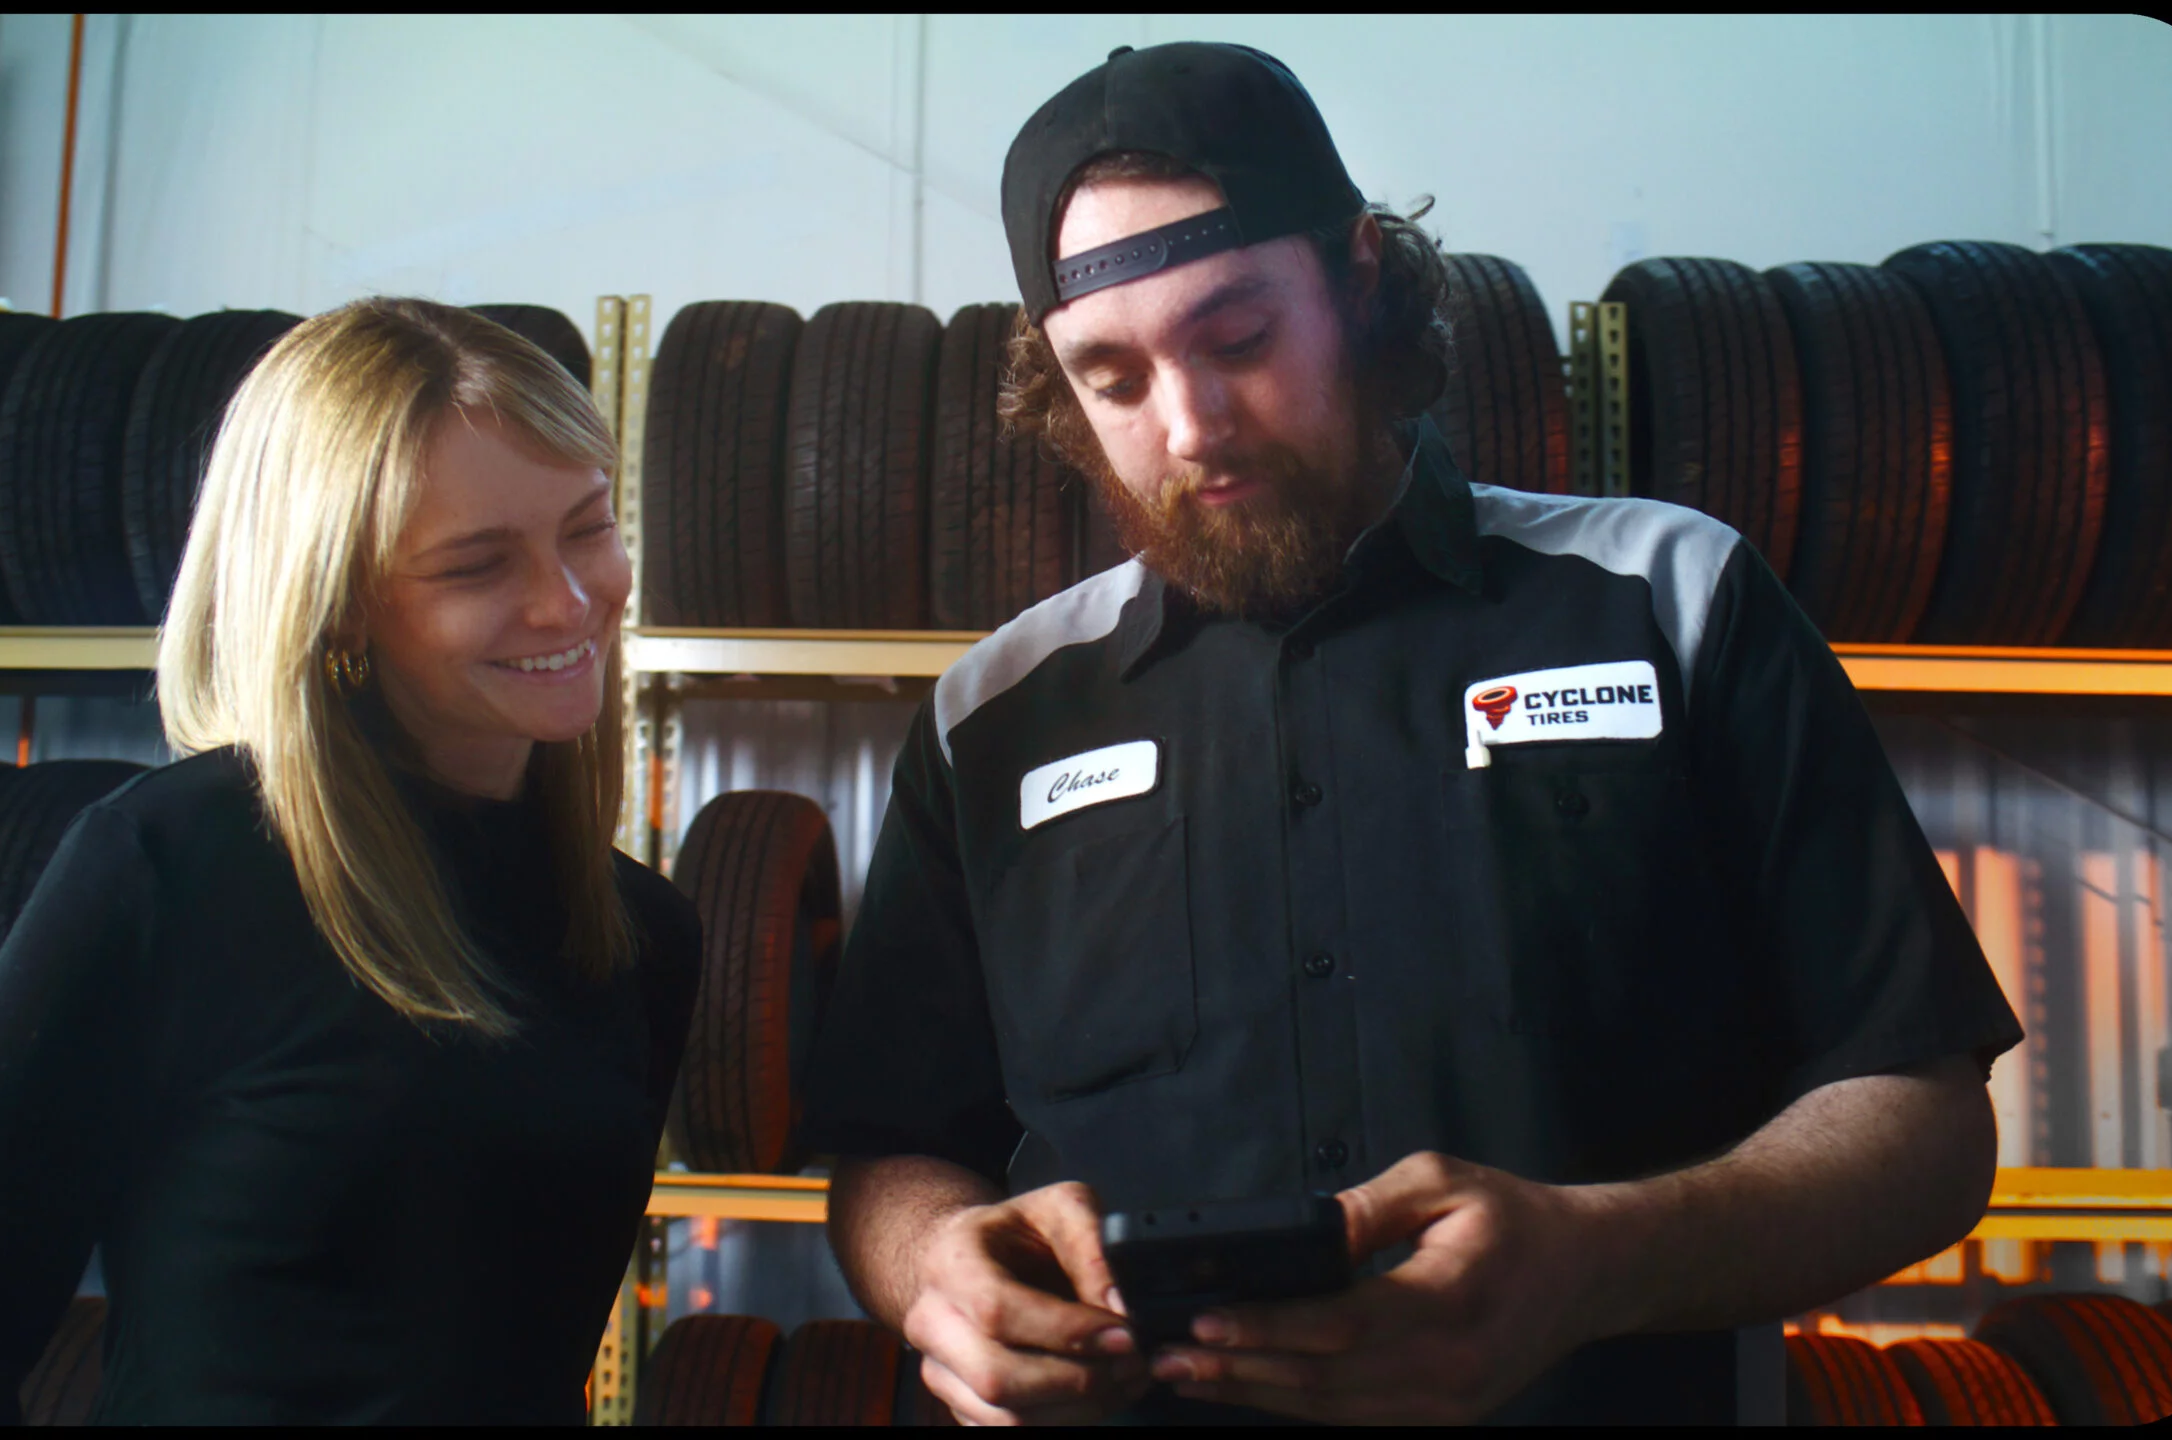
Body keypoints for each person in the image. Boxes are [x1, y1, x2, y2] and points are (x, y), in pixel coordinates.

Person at [801, 41, 2023, 1426]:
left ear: (1360, 275)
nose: (1192, 425)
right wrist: (930, 1278)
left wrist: (1605, 1260)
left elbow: (1926, 1119)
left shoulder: (1676, 605)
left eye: (1239, 338)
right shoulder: (993, 718)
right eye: (1113, 376)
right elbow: (896, 1159)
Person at [0, 298, 701, 1424]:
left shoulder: (641, 934)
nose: (569, 600)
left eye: (587, 528)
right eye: (477, 565)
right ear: (334, 606)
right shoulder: (170, 870)